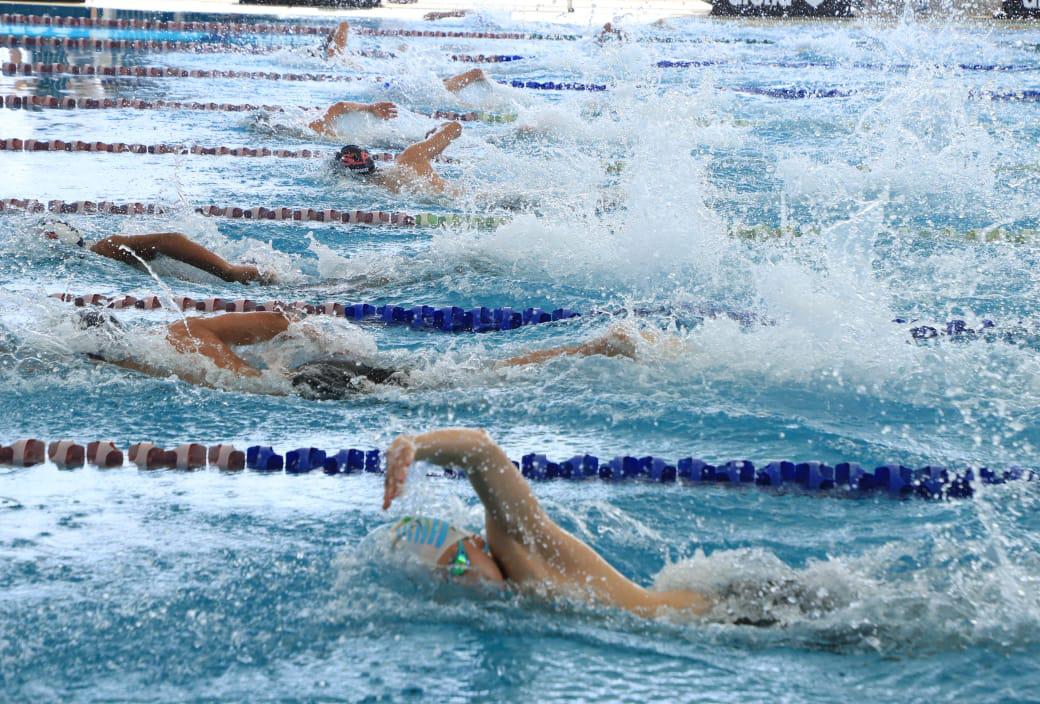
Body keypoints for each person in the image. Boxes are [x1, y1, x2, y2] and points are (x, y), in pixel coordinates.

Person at [378, 428, 711, 618]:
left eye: (460, 560)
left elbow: (481, 451)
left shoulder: (518, 547)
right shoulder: (512, 603)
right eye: (449, 577)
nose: (465, 578)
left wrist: (414, 445)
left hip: (716, 613)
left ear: (475, 541)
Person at [83, 309, 648, 397]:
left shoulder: (157, 361)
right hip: (313, 370)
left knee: (462, 380)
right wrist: (319, 338)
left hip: (306, 385)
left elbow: (245, 388)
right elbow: (282, 320)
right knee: (461, 373)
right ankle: (590, 346)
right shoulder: (188, 329)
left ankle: (594, 348)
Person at [41, 222, 269, 284]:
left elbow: (169, 240)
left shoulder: (105, 248)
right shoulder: (99, 254)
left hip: (231, 274)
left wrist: (228, 271)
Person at [307, 68, 492, 139]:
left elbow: (338, 106)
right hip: (389, 122)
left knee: (432, 122)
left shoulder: (318, 127)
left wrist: (370, 107)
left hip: (390, 114)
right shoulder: (326, 131)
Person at [336, 121, 463, 195]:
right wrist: (435, 132)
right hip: (459, 197)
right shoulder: (409, 158)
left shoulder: (363, 188)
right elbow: (454, 127)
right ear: (367, 155)